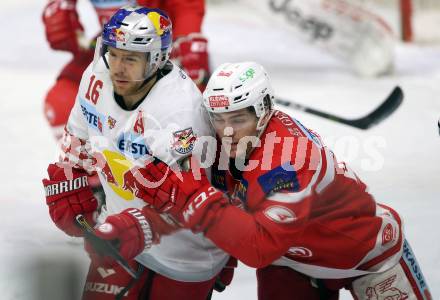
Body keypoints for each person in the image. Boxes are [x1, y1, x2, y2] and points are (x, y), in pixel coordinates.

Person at [122, 61, 433, 299]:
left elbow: (260, 247)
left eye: (238, 119)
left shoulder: (288, 160)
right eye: (219, 119)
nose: (226, 131)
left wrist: (195, 201)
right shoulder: (221, 136)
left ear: (265, 111)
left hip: (367, 257)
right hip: (291, 263)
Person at [42, 6, 231, 300]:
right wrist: (71, 176)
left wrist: (136, 225)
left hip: (184, 254)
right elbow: (77, 137)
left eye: (130, 58)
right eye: (114, 53)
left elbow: (190, 203)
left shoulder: (180, 113)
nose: (117, 67)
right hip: (118, 236)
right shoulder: (95, 76)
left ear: (156, 59)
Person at [42, 0, 209, 140]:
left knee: (184, 118)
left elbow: (186, 8)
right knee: (61, 100)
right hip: (113, 44)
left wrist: (188, 36)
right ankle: (96, 172)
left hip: (156, 52)